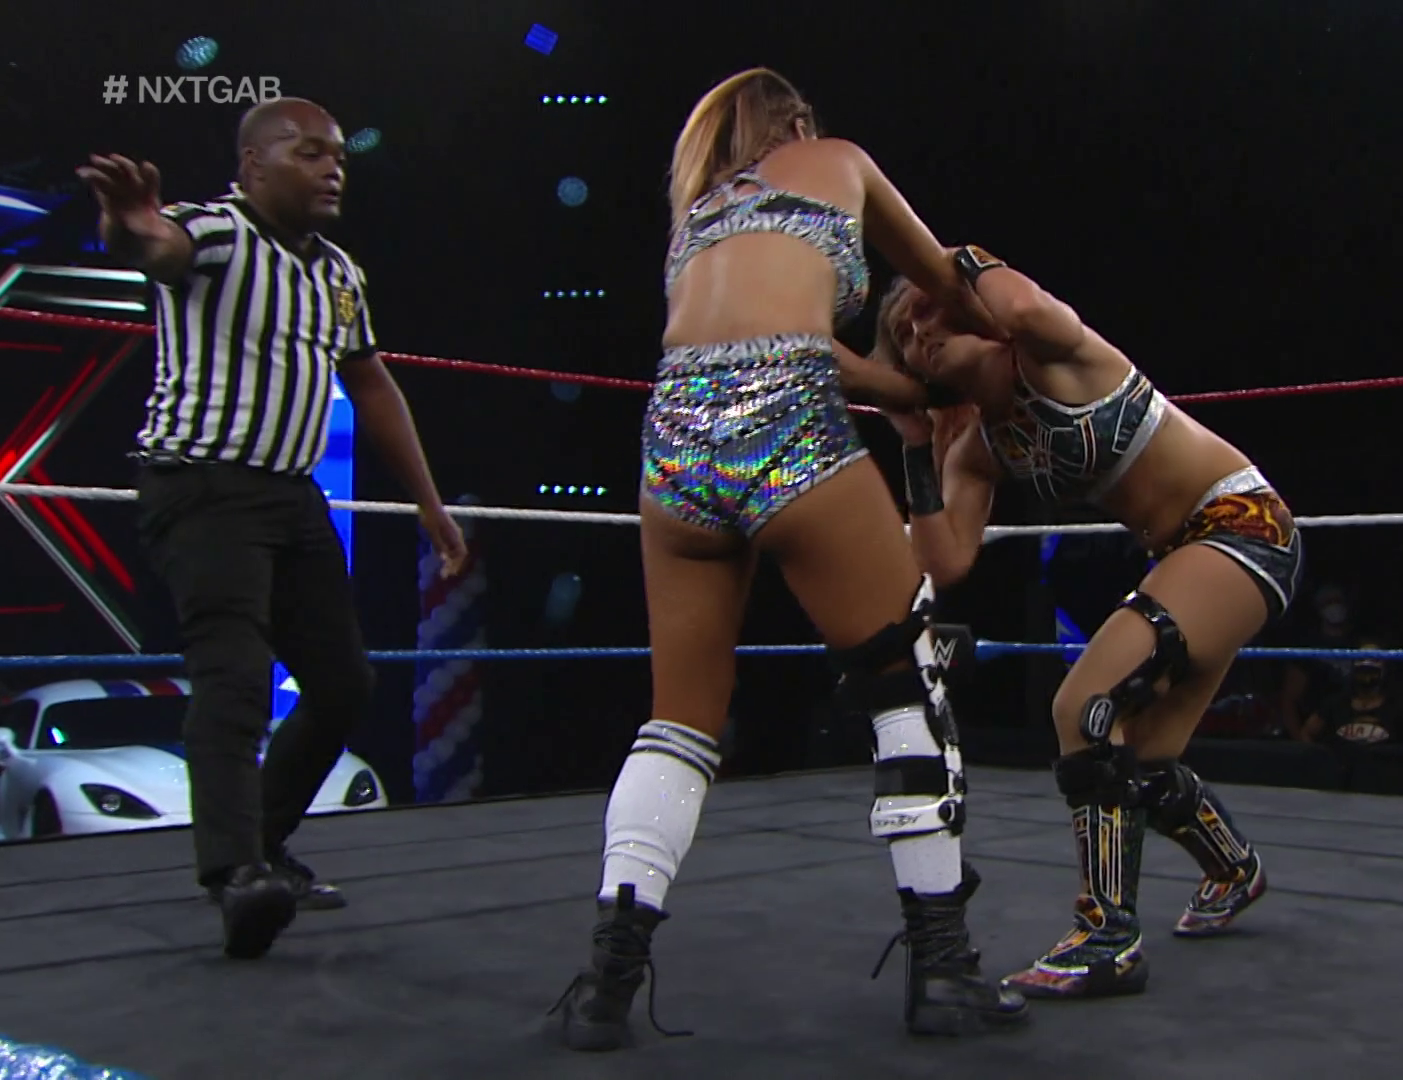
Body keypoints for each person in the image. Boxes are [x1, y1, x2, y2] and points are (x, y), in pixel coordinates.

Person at [547, 69, 1026, 1051]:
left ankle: (605, 982)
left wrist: (909, 397)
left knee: (678, 721)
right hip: (786, 424)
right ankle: (943, 969)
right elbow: (943, 279)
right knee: (907, 683)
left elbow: (785, 341)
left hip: (675, 439)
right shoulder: (836, 160)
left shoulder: (697, 219)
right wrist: (1010, 358)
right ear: (796, 123)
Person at [74, 98, 467, 960]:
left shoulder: (338, 273)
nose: (333, 168)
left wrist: (429, 502)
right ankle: (235, 875)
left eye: (340, 156)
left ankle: (265, 844)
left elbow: (371, 383)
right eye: (310, 152)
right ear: (253, 165)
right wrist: (127, 224)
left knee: (344, 683)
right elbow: (154, 247)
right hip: (202, 486)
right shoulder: (213, 230)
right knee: (235, 676)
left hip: (289, 496)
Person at [875, 253, 1300, 1000]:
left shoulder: (1049, 354)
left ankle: (1108, 937)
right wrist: (915, 443)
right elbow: (945, 561)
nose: (919, 331)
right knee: (1144, 759)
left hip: (1243, 525)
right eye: (903, 334)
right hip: (1186, 553)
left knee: (1084, 708)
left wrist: (952, 259)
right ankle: (1234, 868)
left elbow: (1023, 307)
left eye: (927, 309)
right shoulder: (979, 447)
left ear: (968, 305)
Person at [1302, 639, 1403, 749]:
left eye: (1371, 671)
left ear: (1383, 670)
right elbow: (1306, 733)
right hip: (1344, 775)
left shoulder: (1398, 708)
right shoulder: (1336, 704)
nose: (1367, 677)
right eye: (1363, 670)